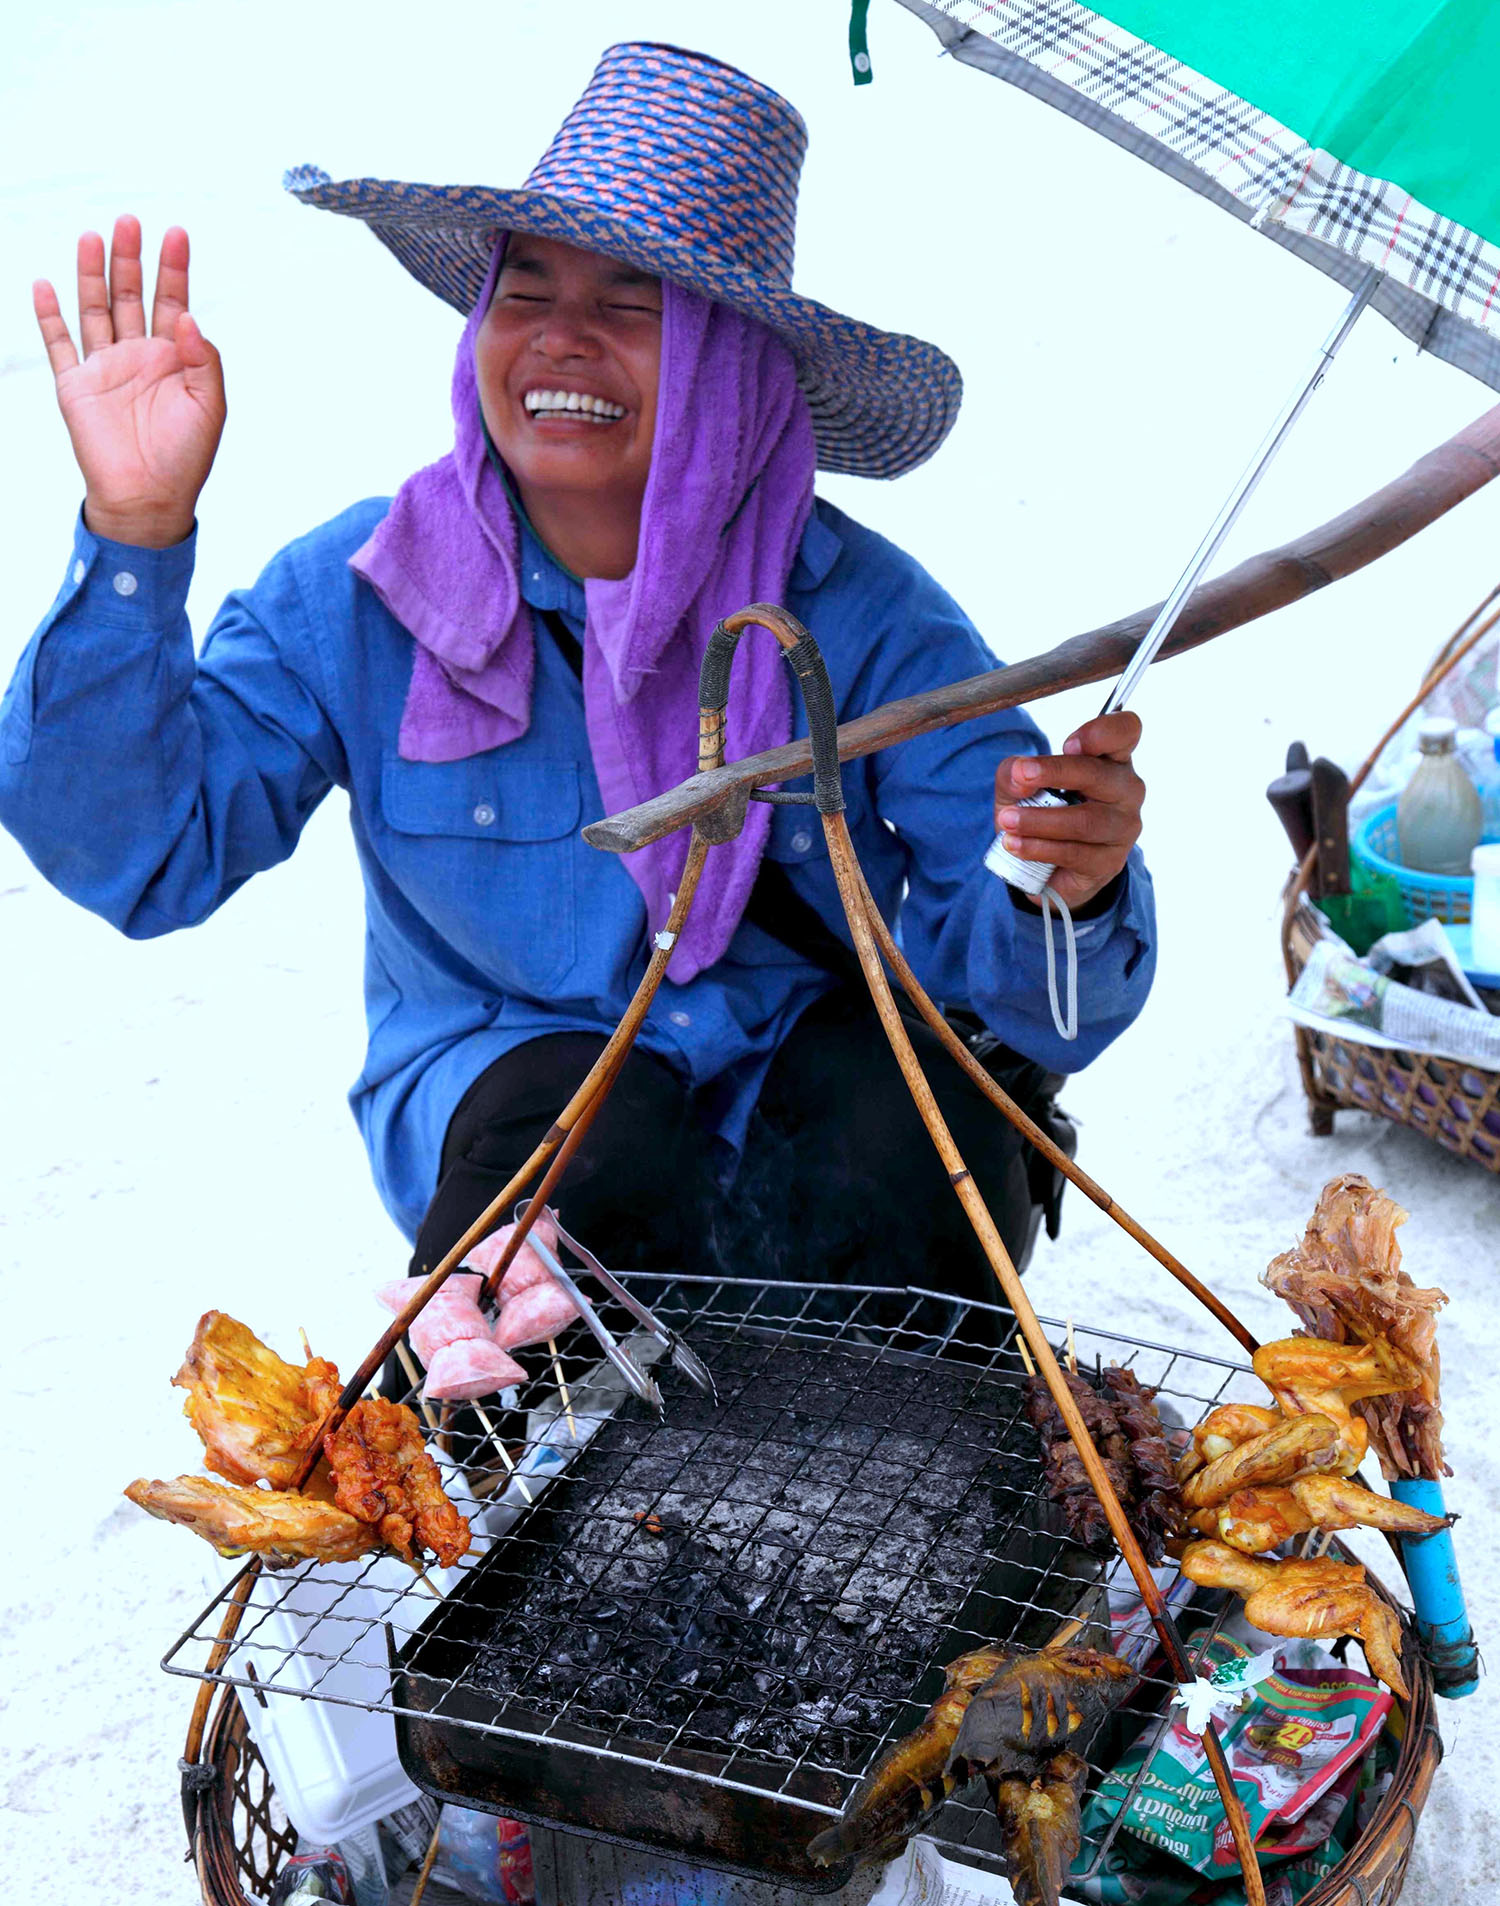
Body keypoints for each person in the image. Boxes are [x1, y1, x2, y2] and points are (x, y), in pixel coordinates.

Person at [1, 43, 1153, 1325]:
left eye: (633, 302)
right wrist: (136, 527)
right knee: (599, 1136)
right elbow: (144, 854)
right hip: (530, 1135)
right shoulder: (358, 594)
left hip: (804, 1108)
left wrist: (1072, 882)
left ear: (733, 364)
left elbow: (1028, 993)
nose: (558, 337)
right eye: (525, 287)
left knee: (909, 1132)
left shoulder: (860, 613)